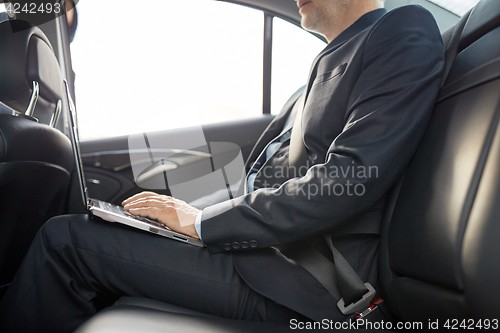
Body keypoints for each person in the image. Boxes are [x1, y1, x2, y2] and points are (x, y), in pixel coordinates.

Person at [0, 0, 445, 332]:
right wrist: (174, 219)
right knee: (89, 230)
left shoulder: (401, 30)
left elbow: (346, 179)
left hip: (308, 282)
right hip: (266, 256)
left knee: (64, 242)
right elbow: (258, 183)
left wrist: (202, 223)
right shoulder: (312, 76)